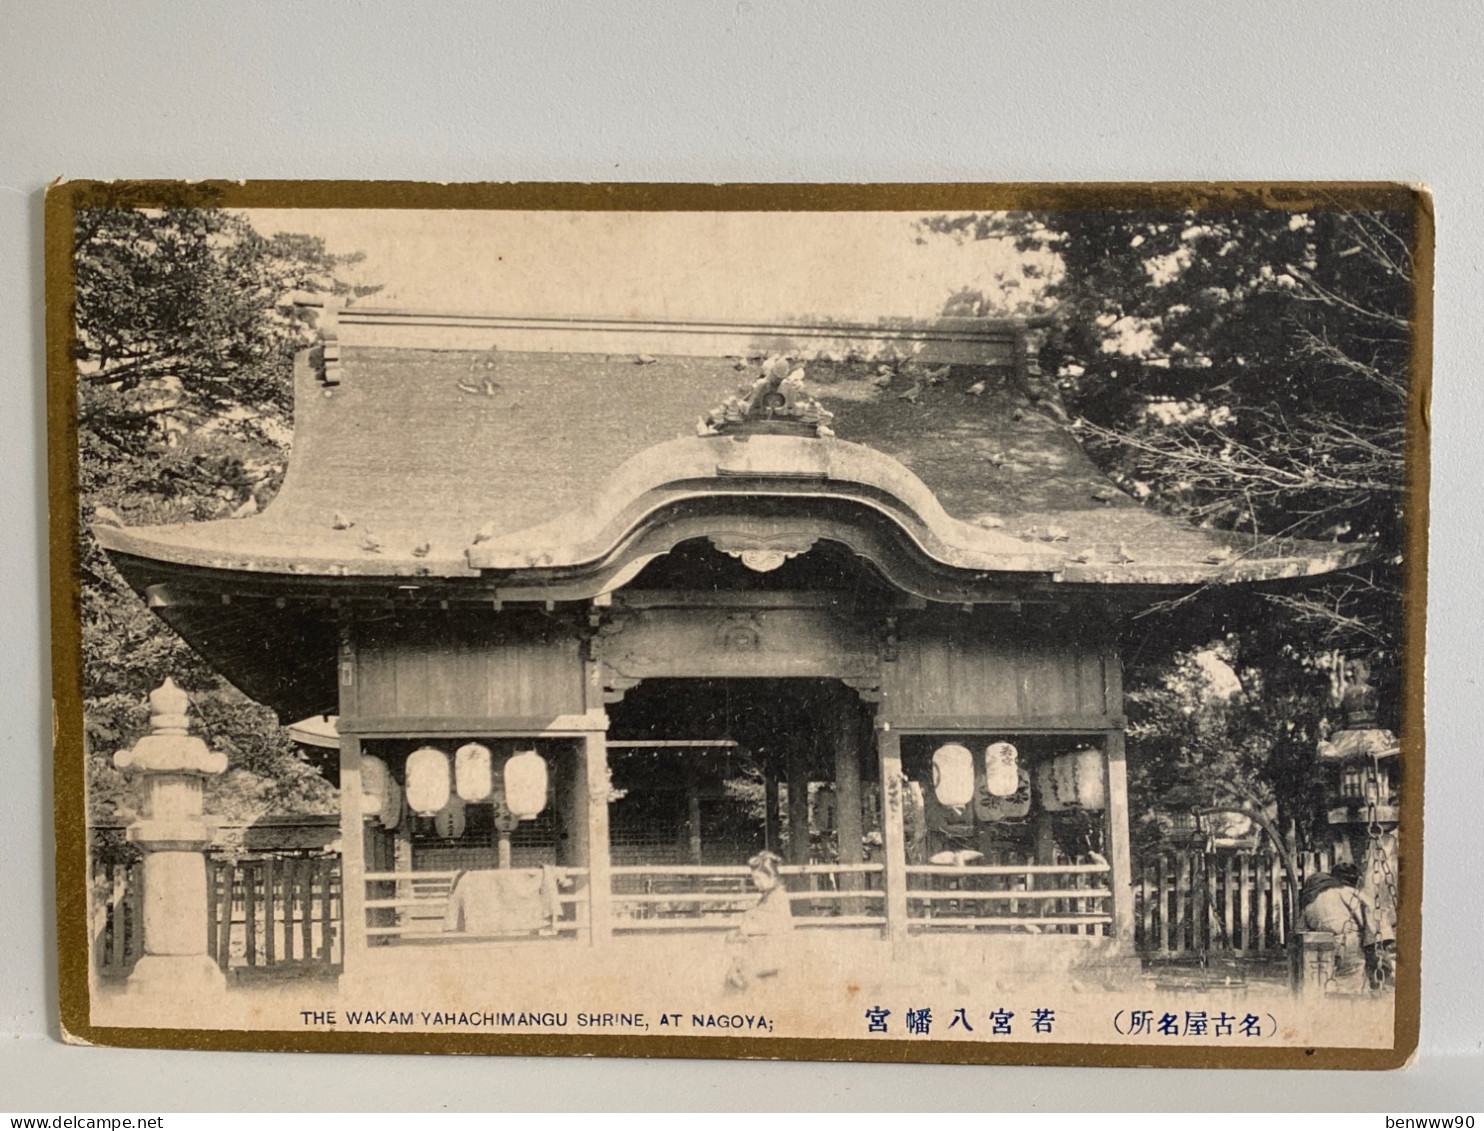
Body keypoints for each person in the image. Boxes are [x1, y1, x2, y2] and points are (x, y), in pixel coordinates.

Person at [1299, 862, 1378, 994]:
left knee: (1324, 986)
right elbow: (1371, 921)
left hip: (1319, 946)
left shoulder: (1312, 897)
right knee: (1351, 985)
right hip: (1348, 943)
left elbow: (1302, 925)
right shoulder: (1349, 893)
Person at [723, 850, 795, 992]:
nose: (757, 883)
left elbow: (779, 924)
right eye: (754, 879)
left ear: (772, 876)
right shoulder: (766, 897)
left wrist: (750, 925)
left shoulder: (778, 897)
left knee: (741, 977)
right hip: (762, 949)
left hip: (773, 950)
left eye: (759, 878)